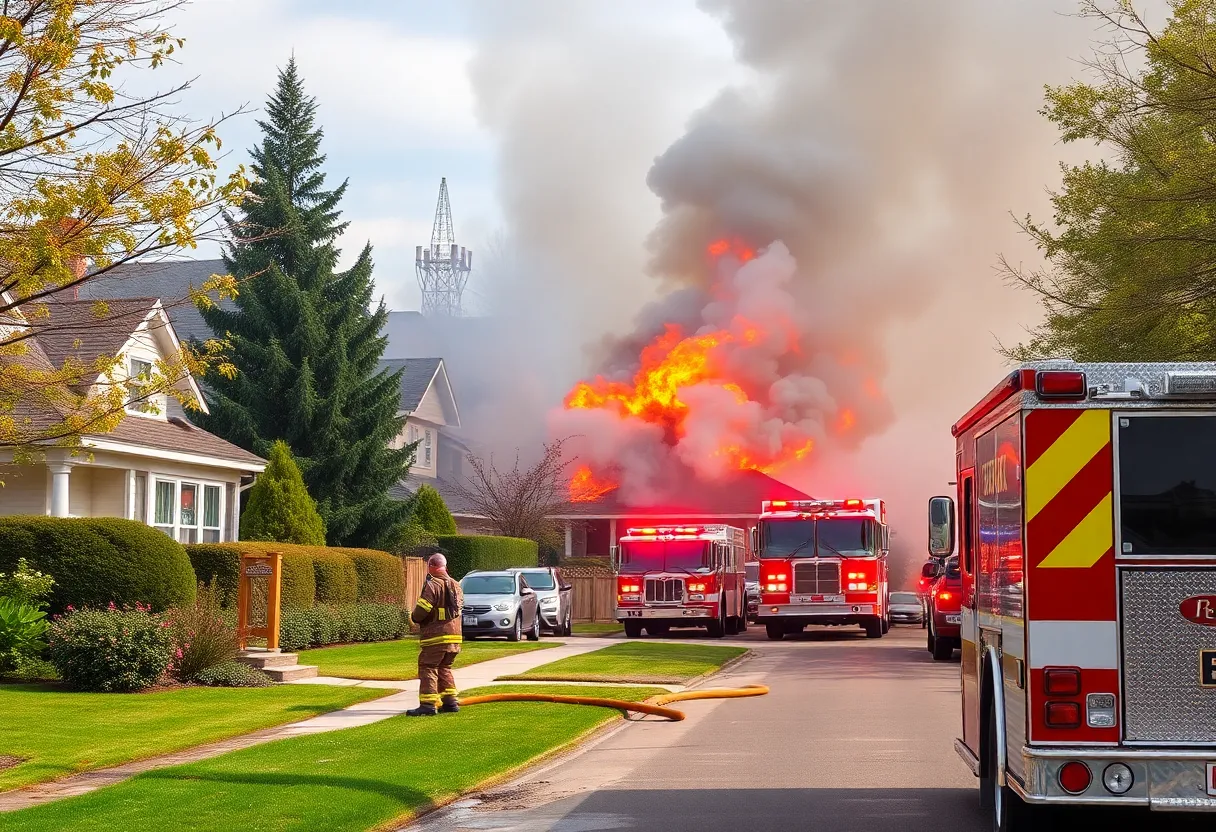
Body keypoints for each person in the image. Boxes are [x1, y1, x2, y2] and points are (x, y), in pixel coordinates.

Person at [406, 553, 463, 717]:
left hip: (436, 636)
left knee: (428, 667)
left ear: (431, 566)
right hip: (455, 637)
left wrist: (414, 617)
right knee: (445, 667)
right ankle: (451, 702)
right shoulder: (456, 585)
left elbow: (422, 609)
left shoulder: (433, 584)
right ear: (445, 566)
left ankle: (428, 704)